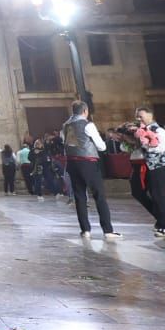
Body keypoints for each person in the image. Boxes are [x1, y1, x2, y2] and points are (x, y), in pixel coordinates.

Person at [62, 101, 119, 239]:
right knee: (99, 195)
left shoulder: (65, 125)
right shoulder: (88, 124)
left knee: (80, 196)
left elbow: (66, 143)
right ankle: (107, 230)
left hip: (72, 163)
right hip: (88, 162)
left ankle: (85, 230)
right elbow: (101, 146)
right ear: (85, 111)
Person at [115, 106, 165, 236]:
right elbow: (128, 149)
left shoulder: (157, 129)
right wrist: (127, 141)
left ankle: (164, 226)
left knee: (158, 195)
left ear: (150, 115)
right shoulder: (136, 130)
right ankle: (162, 217)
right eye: (137, 116)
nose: (138, 118)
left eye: (140, 116)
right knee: (137, 191)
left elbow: (163, 144)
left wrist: (144, 143)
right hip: (140, 165)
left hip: (157, 166)